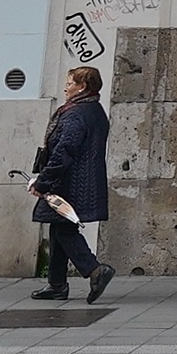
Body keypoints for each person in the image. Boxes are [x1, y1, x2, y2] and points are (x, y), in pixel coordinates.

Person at [29, 64, 115, 303]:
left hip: (69, 182)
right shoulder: (95, 110)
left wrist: (43, 181)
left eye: (69, 83)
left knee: (64, 229)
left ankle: (95, 270)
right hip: (82, 181)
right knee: (59, 226)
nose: (66, 88)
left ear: (82, 86)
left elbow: (64, 150)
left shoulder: (76, 113)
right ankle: (57, 284)